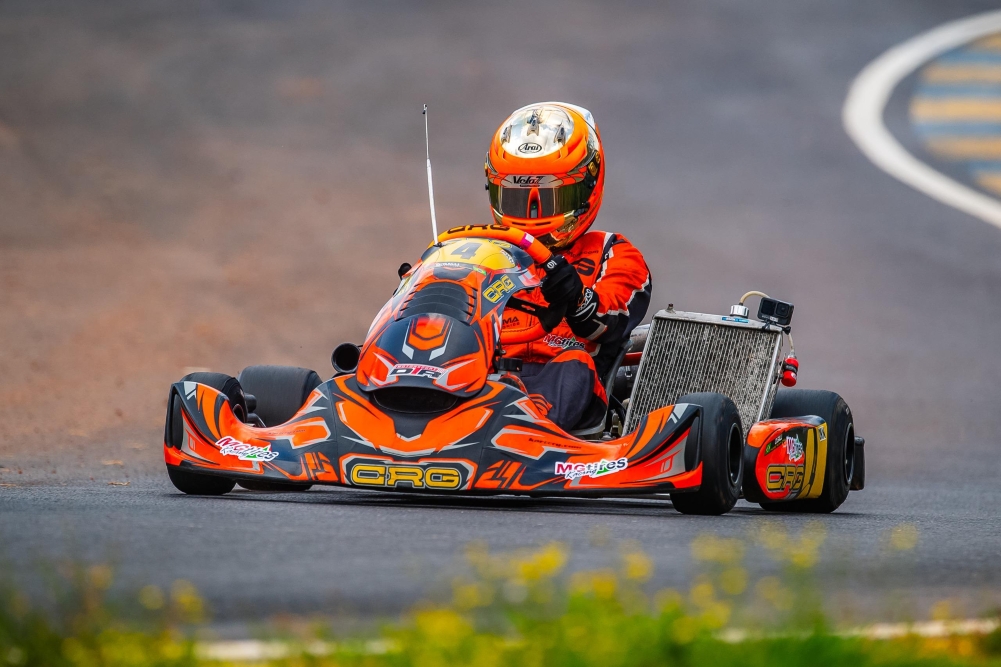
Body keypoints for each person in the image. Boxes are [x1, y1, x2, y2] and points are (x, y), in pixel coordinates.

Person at [485, 102, 651, 431]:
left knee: (574, 363)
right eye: (518, 200)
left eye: (551, 199)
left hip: (563, 383)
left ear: (587, 186)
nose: (533, 217)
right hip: (482, 377)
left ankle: (522, 431)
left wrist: (577, 297)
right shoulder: (484, 253)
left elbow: (610, 321)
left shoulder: (614, 253)